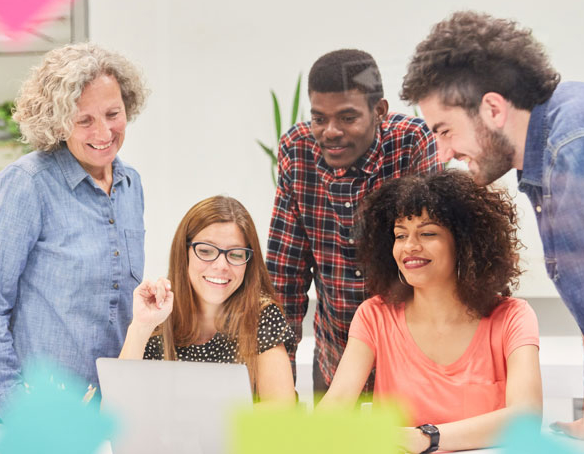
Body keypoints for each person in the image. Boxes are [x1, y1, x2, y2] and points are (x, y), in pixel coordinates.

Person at [401, 10, 584, 454]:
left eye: (445, 131)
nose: (443, 153)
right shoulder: (559, 144)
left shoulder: (579, 147)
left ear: (493, 109)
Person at [0, 43, 149, 421]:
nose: (103, 131)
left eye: (113, 114)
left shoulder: (130, 184)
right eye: (84, 120)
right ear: (56, 122)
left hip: (115, 402)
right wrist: (15, 405)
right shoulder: (27, 184)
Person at [318, 170, 542, 453]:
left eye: (427, 233)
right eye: (400, 235)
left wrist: (426, 437)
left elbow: (526, 418)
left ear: (465, 243)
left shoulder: (512, 318)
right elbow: (335, 405)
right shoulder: (374, 316)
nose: (410, 246)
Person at [266, 49, 440, 395]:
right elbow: (285, 275)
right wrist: (279, 390)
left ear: (379, 111)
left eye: (347, 118)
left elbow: (432, 259)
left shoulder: (411, 142)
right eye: (319, 118)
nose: (330, 132)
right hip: (335, 358)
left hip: (407, 364)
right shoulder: (297, 150)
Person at [118, 196, 296, 402]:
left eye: (236, 254)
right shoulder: (159, 314)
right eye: (205, 251)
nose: (221, 265)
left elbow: (280, 415)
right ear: (184, 253)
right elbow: (116, 410)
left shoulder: (262, 316)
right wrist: (141, 326)